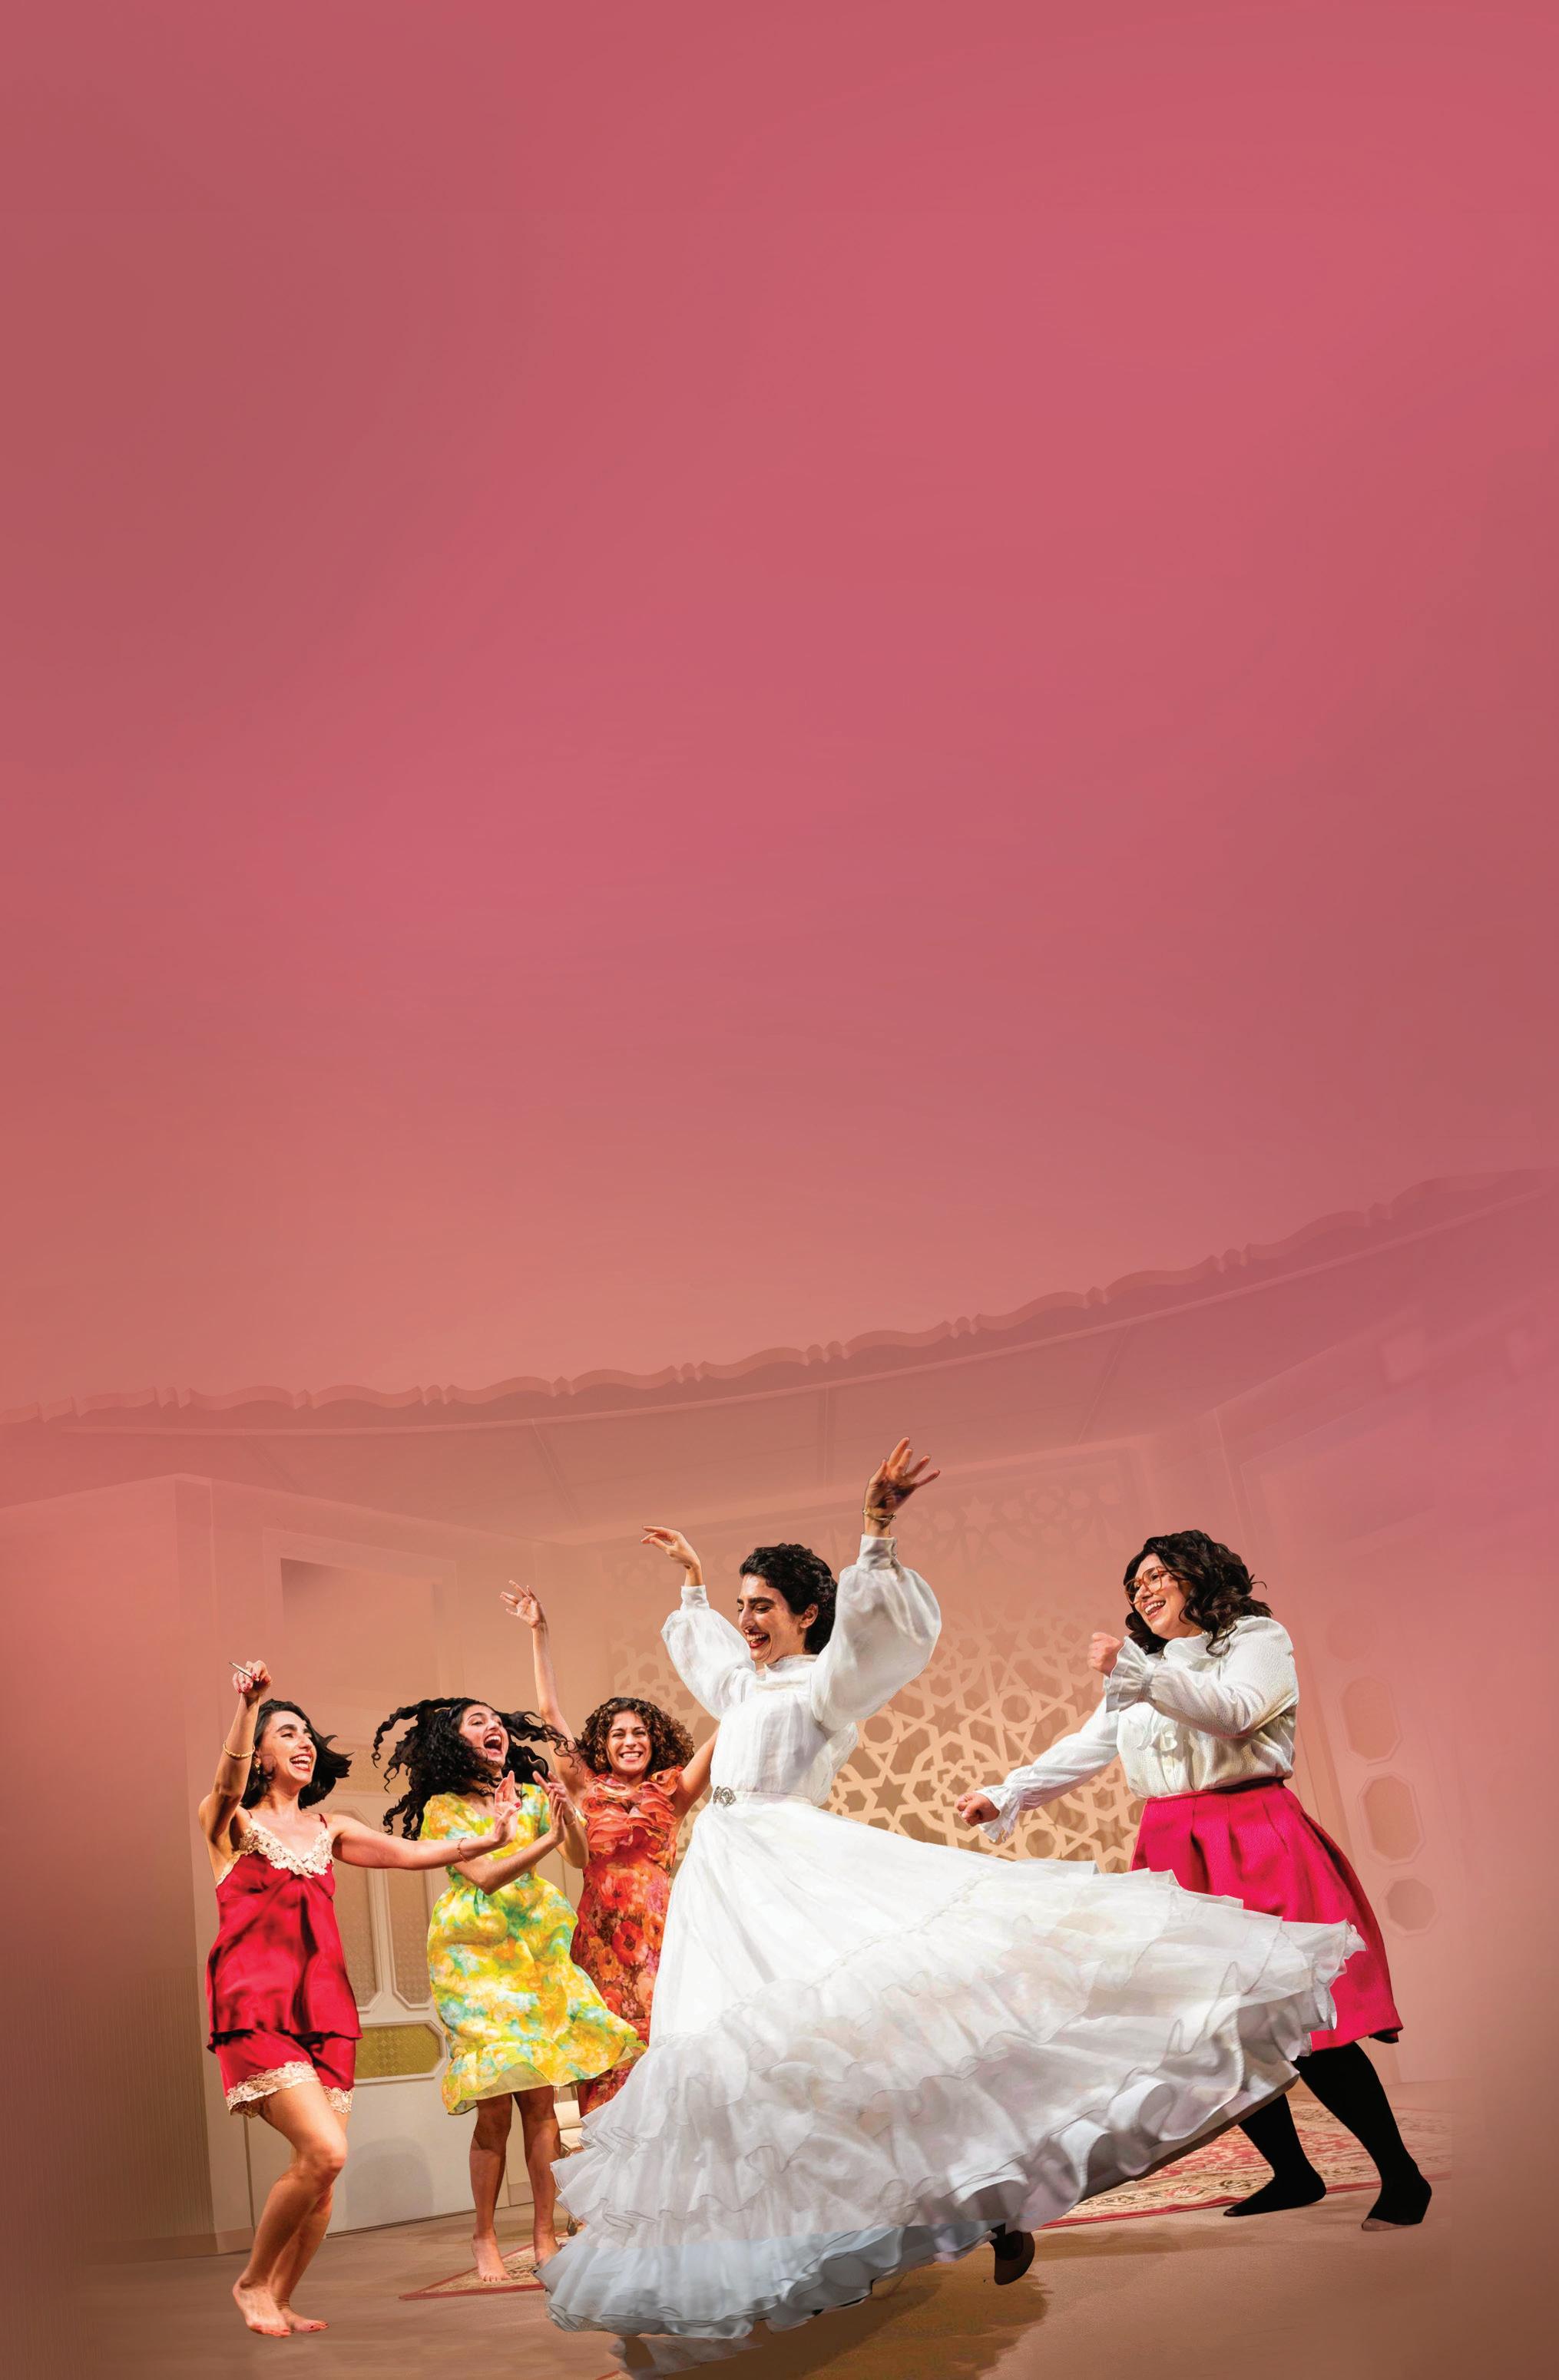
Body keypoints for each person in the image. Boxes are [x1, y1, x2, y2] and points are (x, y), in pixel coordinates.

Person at [541, 1443, 1359, 2359]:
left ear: (807, 1613)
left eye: (762, 1605)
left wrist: (876, 1530)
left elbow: (871, 1640)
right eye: (742, 1607)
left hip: (792, 1868)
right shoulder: (742, 1685)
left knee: (873, 2042)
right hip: (719, 1883)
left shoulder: (827, 1682)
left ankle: (987, 2195)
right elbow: (711, 1661)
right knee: (751, 2065)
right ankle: (806, 2247)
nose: (746, 1620)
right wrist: (693, 1586)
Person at [955, 1529, 1432, 2230]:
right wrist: (1009, 1793)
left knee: (1302, 2019)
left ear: (1198, 1575)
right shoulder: (1143, 1665)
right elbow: (1091, 1745)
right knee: (1214, 2026)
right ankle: (1293, 2173)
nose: (1142, 1590)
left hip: (1253, 1831)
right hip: (1173, 1844)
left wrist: (1138, 1673)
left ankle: (1402, 2176)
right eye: (1134, 1584)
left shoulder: (1255, 1638)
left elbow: (1237, 1714)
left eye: (1156, 1575)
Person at [200, 1659, 518, 2338]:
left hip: (326, 2011)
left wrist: (488, 1838)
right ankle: (252, 2282)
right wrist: (248, 1707)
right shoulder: (230, 1823)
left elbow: (408, 1855)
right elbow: (225, 1784)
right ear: (260, 1755)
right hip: (256, 2005)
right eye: (286, 1733)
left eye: (306, 1733)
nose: (303, 1742)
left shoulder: (331, 1827)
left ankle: (281, 2297)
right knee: (326, 2152)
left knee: (320, 2179)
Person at [372, 1695, 644, 2277]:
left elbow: (577, 1856)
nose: (494, 1726)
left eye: (496, 1720)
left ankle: (544, 2233)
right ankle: (485, 2235)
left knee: (542, 2102)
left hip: (533, 1952)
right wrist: (540, 1840)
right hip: (475, 1956)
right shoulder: (443, 1808)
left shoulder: (528, 1794)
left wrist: (565, 1817)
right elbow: (486, 1877)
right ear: (455, 1741)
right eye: (478, 1722)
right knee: (494, 2109)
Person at [502, 1585, 717, 2112]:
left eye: (640, 1733)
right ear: (603, 1742)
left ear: (655, 1740)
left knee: (662, 2044)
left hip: (662, 1935)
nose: (630, 1741)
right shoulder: (585, 1787)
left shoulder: (673, 1791)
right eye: (618, 1734)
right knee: (605, 2049)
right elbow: (549, 1710)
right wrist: (540, 1632)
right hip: (600, 1934)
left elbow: (725, 1733)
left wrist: (754, 1678)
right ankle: (608, 2152)